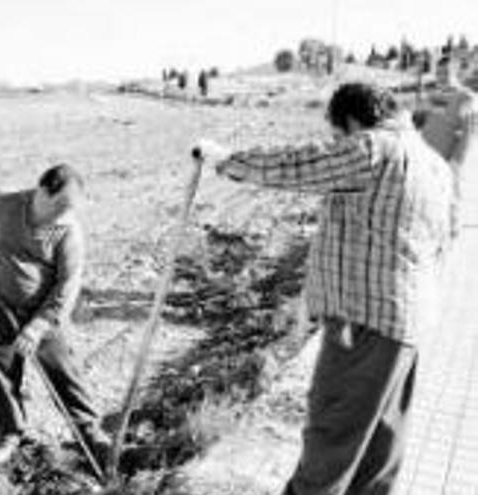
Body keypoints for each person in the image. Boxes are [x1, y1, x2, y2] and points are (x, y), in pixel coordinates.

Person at [194, 82, 454, 495]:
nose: (338, 142)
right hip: (408, 324)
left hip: (364, 322)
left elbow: (300, 166)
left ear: (351, 122)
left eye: (338, 134)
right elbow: (444, 242)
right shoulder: (435, 164)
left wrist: (227, 160)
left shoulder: (375, 147)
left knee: (331, 441)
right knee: (377, 452)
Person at [0, 164, 109, 465]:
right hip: (0, 303)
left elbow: (66, 287)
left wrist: (37, 327)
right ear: (42, 190)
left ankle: (90, 433)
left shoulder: (68, 231)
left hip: (47, 312)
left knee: (64, 371)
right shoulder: (3, 203)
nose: (63, 214)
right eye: (59, 205)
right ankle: (9, 433)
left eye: (69, 209)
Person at [420, 55, 478, 239]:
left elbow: (469, 130)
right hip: (429, 154)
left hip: (449, 156)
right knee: (431, 194)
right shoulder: (434, 94)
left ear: (456, 73)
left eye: (446, 72)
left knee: (452, 194)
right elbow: (427, 121)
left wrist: (458, 159)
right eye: (439, 72)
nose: (441, 76)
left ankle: (453, 230)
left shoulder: (466, 97)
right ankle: (434, 229)